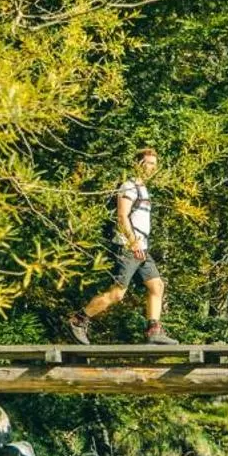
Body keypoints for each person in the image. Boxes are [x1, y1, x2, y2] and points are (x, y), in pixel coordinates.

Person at [68, 147, 178, 345]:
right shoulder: (128, 186)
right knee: (117, 293)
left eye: (154, 164)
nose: (152, 168)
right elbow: (122, 216)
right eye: (148, 163)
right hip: (129, 247)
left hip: (141, 247)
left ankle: (154, 331)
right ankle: (79, 320)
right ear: (138, 164)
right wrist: (133, 241)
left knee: (156, 285)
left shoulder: (143, 188)